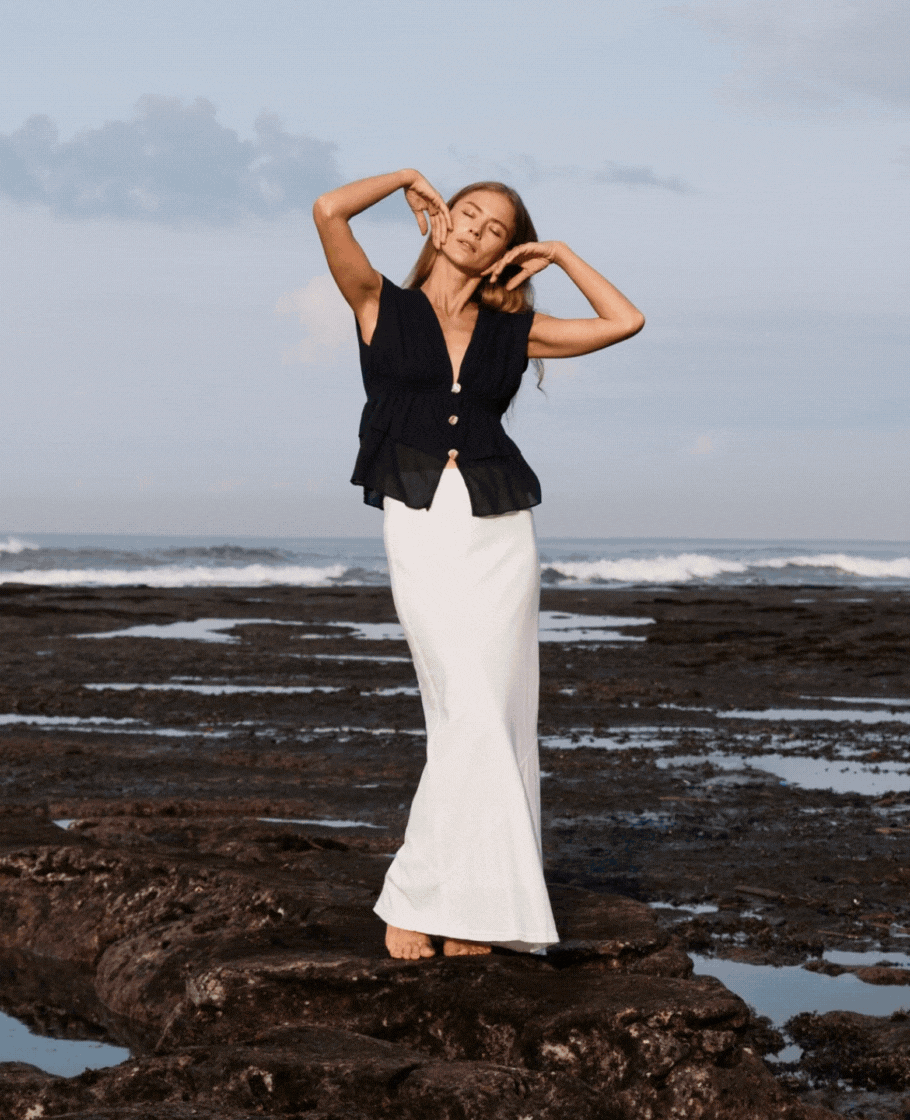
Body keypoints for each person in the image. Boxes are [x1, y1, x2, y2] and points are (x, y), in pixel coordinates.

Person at [313, 169, 644, 960]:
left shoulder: (512, 333)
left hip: (500, 531)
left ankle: (476, 906)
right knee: (461, 706)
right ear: (437, 220)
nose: (474, 231)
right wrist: (403, 178)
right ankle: (421, 896)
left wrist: (559, 255)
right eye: (466, 214)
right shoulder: (378, 304)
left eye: (496, 227)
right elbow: (328, 211)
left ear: (507, 249)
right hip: (422, 519)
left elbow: (625, 319)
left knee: (496, 714)